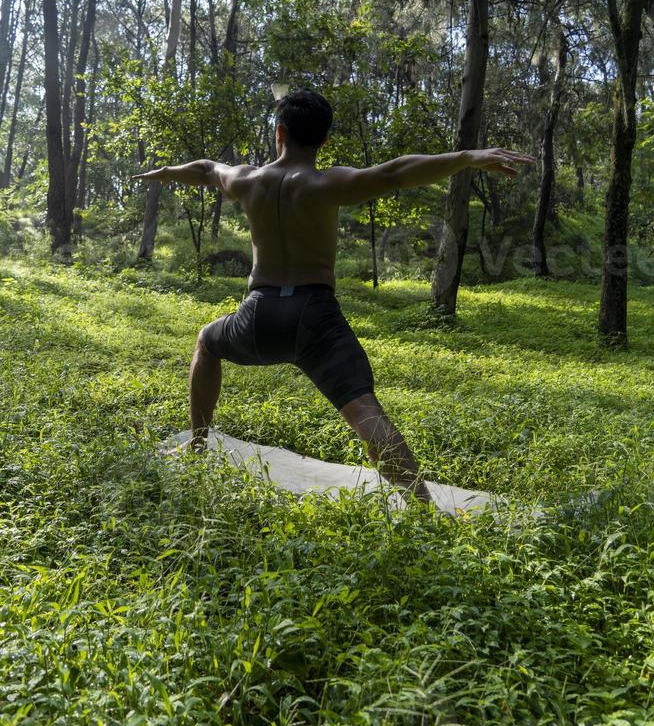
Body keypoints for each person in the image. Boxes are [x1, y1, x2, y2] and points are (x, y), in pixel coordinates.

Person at [133, 89, 534, 502]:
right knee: (364, 412)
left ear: (280, 133)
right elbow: (398, 171)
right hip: (314, 316)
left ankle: (198, 444)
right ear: (324, 140)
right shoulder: (327, 184)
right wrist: (467, 157)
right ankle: (422, 506)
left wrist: (165, 171)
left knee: (207, 340)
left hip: (259, 316)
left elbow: (204, 169)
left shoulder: (246, 179)